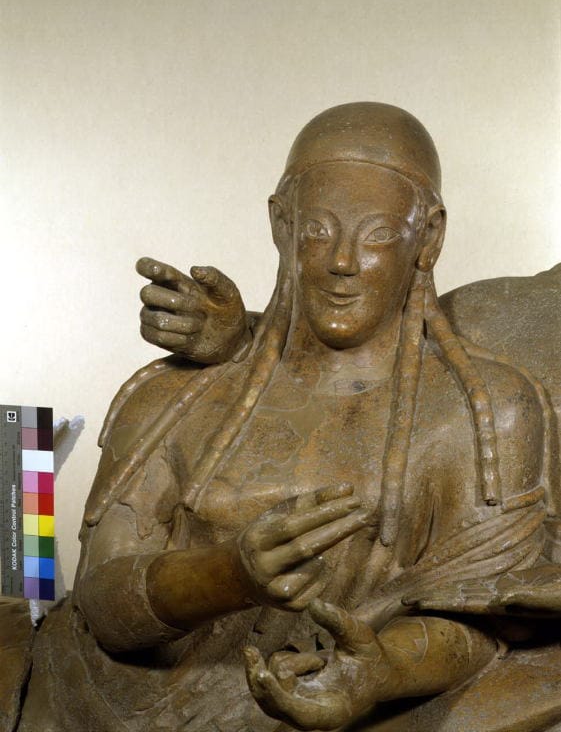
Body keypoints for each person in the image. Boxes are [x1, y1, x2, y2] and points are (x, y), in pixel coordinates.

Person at [15, 103, 561, 731]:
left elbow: (480, 617)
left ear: (429, 237)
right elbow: (102, 605)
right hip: (102, 700)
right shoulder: (180, 392)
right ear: (281, 223)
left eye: (379, 234)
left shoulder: (485, 410)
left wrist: (378, 671)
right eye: (319, 231)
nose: (343, 262)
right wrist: (229, 576)